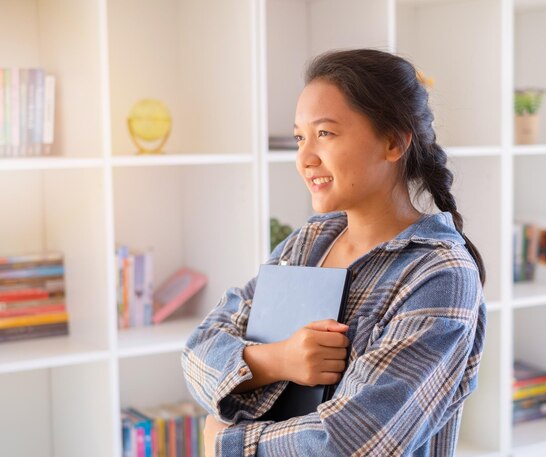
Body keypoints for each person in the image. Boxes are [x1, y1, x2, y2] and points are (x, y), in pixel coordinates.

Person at [181, 49, 487, 457]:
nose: (305, 158)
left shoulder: (440, 276)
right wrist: (277, 360)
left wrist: (227, 442)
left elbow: (354, 442)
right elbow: (198, 352)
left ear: (393, 142)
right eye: (299, 138)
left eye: (325, 133)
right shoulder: (310, 241)